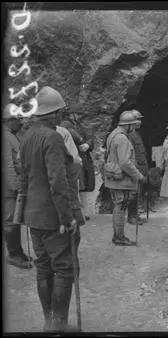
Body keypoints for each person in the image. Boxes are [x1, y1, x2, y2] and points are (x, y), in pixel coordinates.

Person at [18, 87, 79, 331]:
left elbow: (25, 178)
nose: (62, 117)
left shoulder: (27, 137)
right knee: (64, 268)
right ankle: (59, 324)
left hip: (34, 215)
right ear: (52, 114)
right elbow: (58, 181)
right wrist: (67, 217)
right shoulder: (52, 137)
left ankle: (48, 320)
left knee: (43, 267)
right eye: (60, 112)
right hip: (53, 216)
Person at [104, 110, 146, 246]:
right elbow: (125, 162)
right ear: (127, 125)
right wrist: (139, 176)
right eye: (132, 125)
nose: (134, 128)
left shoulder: (113, 134)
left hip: (113, 177)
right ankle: (119, 237)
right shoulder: (122, 138)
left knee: (118, 206)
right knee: (120, 207)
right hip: (121, 180)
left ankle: (117, 235)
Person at [3, 104, 33, 269]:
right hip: (8, 188)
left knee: (14, 220)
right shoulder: (5, 136)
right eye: (19, 119)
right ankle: (13, 254)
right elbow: (8, 164)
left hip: (12, 186)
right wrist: (16, 186)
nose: (21, 122)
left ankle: (18, 251)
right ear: (10, 120)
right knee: (9, 221)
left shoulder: (12, 135)